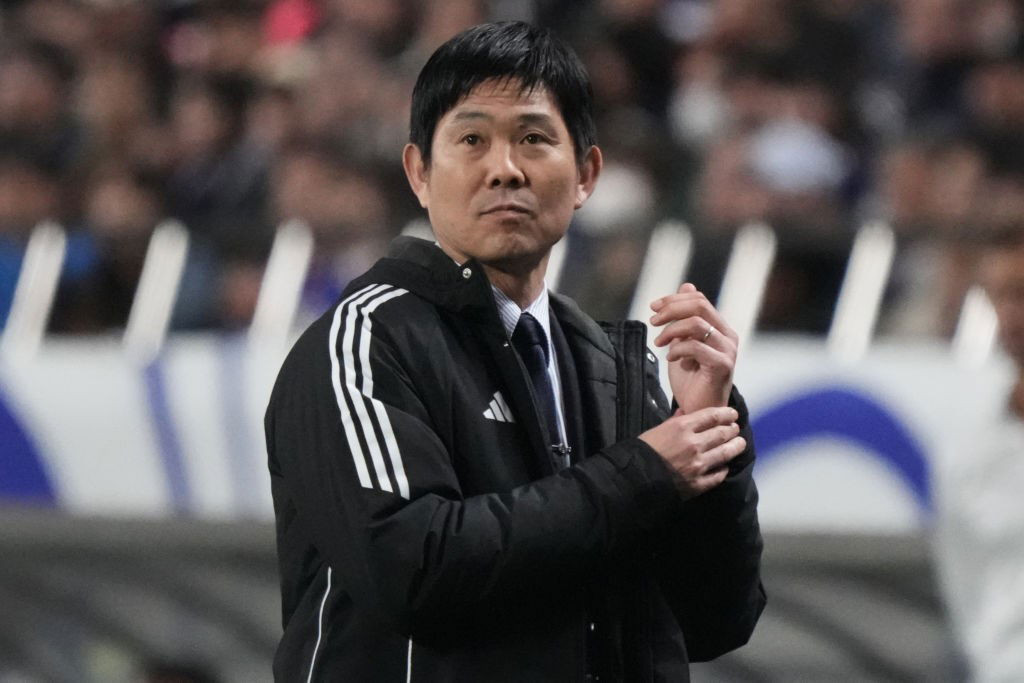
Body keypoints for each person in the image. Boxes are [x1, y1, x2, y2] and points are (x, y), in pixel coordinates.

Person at [265, 21, 765, 681]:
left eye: (534, 138)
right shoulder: (364, 341)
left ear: (586, 174)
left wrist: (711, 436)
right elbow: (413, 570)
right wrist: (644, 472)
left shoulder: (618, 372)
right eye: (472, 139)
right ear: (419, 172)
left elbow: (714, 620)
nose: (504, 168)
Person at [934, 234, 1024, 681]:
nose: (1012, 313)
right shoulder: (968, 444)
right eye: (1000, 295)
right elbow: (963, 583)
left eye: (1022, 293)